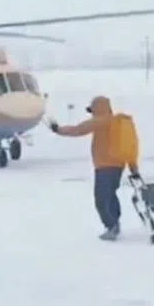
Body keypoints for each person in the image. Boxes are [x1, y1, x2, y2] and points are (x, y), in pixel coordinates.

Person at [50, 95, 141, 240]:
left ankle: (111, 226)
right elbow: (131, 145)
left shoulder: (101, 121)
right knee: (110, 195)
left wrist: (58, 130)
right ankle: (115, 223)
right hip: (118, 166)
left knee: (101, 198)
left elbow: (78, 130)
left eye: (92, 110)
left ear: (98, 108)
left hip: (105, 166)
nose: (91, 113)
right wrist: (133, 167)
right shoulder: (117, 122)